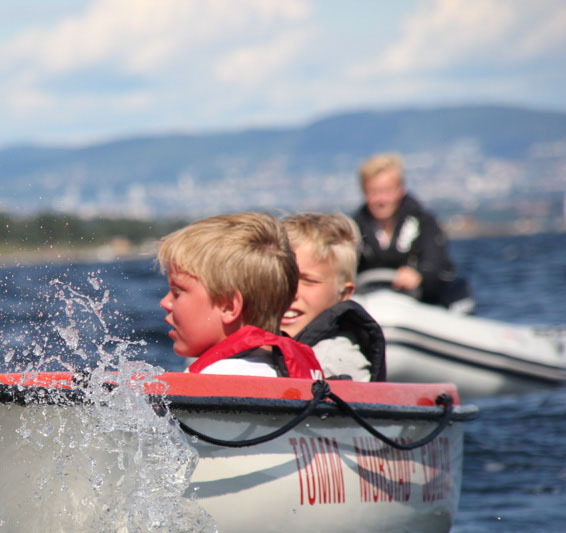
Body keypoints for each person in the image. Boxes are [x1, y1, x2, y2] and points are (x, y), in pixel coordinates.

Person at [157, 212, 322, 379]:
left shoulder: (216, 378)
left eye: (177, 292)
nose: (165, 302)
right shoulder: (281, 372)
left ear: (228, 307)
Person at [351, 154, 471, 309]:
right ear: (364, 192)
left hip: (421, 306)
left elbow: (438, 266)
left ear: (400, 190)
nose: (381, 200)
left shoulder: (425, 223)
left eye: (387, 191)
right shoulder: (354, 229)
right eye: (373, 192)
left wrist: (420, 276)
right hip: (370, 306)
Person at [280, 212, 387, 382]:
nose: (291, 292)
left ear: (343, 294)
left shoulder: (332, 363)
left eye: (309, 281)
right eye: (282, 278)